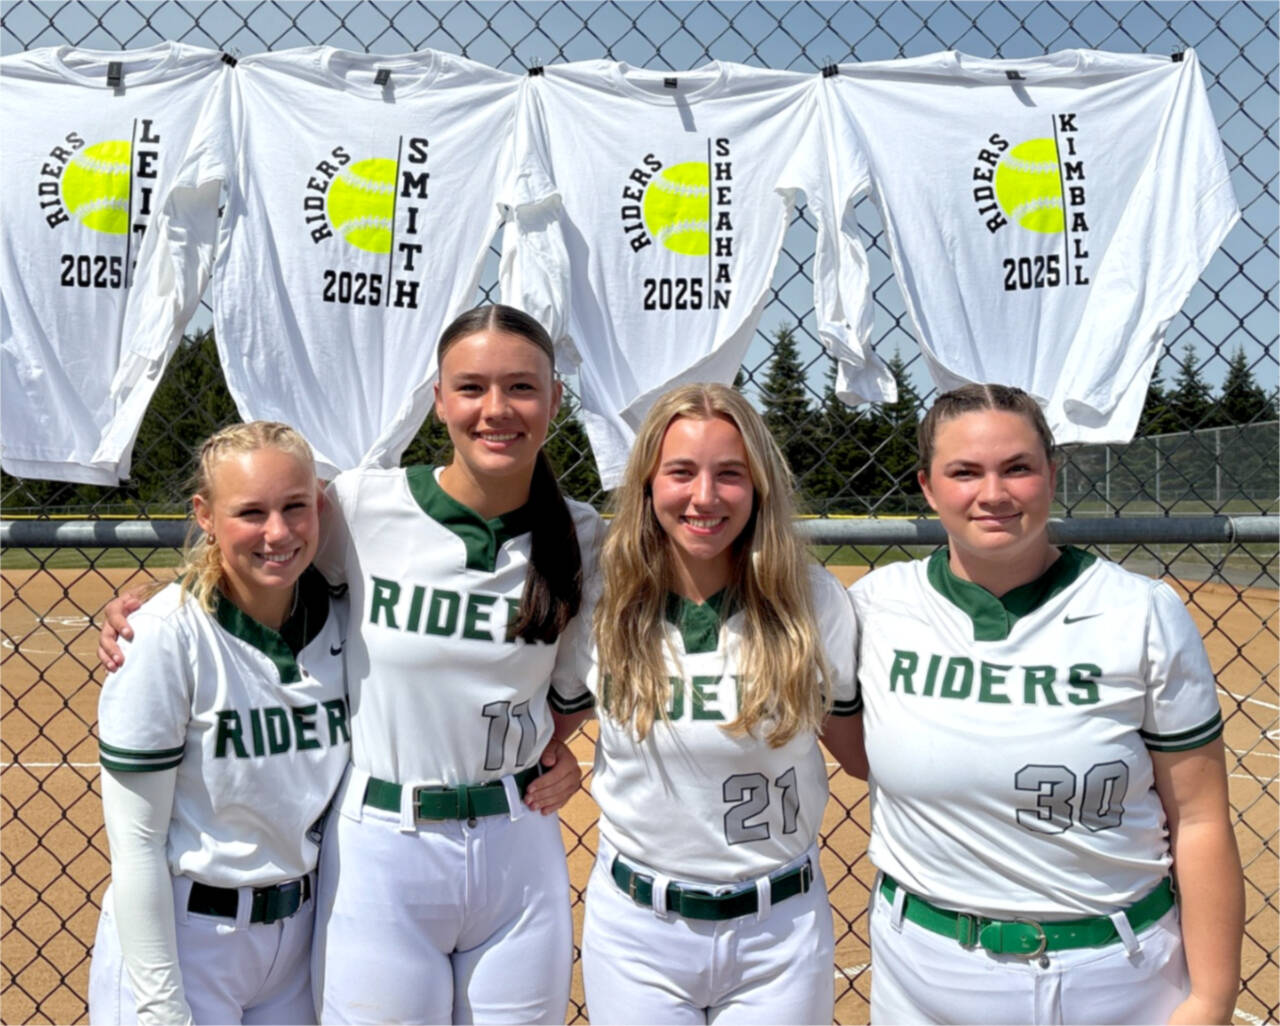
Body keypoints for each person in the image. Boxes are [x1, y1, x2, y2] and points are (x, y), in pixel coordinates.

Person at [96, 305, 593, 1025]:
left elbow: (575, 689)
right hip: (385, 839)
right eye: (472, 387)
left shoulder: (584, 536)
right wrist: (150, 612)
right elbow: (261, 558)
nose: (496, 409)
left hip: (518, 839)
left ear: (554, 398)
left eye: (521, 387)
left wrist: (553, 750)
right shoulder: (361, 507)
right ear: (439, 400)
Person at [849, 383, 1244, 1025]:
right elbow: (850, 748)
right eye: (964, 472)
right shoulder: (876, 606)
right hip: (921, 973)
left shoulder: (1140, 612)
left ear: (1052, 476)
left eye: (1018, 468)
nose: (994, 493)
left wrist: (1211, 1001)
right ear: (927, 487)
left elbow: (1199, 817)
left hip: (1115, 973)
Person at [549, 382, 866, 1025]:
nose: (704, 496)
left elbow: (859, 755)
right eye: (681, 472)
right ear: (647, 484)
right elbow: (553, 720)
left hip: (780, 928)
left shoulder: (811, 600)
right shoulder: (604, 601)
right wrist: (549, 759)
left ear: (759, 487)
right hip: (638, 928)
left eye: (729, 474)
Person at [89, 421, 351, 1025]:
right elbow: (136, 844)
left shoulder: (343, 619)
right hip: (188, 941)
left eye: (295, 506)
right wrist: (161, 1006)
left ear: (319, 505)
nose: (277, 532)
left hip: (300, 941)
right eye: (251, 512)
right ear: (205, 515)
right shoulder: (163, 636)